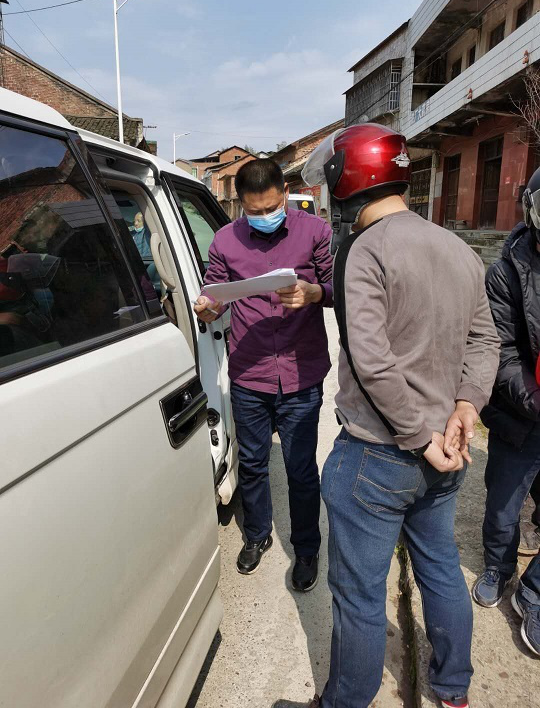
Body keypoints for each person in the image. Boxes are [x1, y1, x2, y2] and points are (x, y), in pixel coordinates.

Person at [291, 124, 500, 708]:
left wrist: (419, 434)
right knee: (440, 571)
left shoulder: (365, 250)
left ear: (345, 178)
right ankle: (453, 688)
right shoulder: (457, 247)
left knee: (358, 597)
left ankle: (345, 701)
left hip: (379, 455)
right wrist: (465, 407)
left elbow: (372, 361)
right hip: (445, 455)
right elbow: (486, 341)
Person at [194, 159, 333, 591]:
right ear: (240, 204)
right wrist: (209, 305)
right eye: (253, 211)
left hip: (301, 372)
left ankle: (307, 547)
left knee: (300, 469)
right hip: (249, 371)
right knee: (253, 464)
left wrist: (315, 293)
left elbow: (339, 290)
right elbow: (213, 290)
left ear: (284, 192)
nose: (263, 217)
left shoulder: (316, 232)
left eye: (270, 207)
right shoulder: (224, 241)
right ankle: (257, 536)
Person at [472, 167, 540, 657]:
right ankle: (498, 564)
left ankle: (534, 592)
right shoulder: (508, 271)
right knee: (502, 509)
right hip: (522, 416)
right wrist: (534, 398)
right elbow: (501, 349)